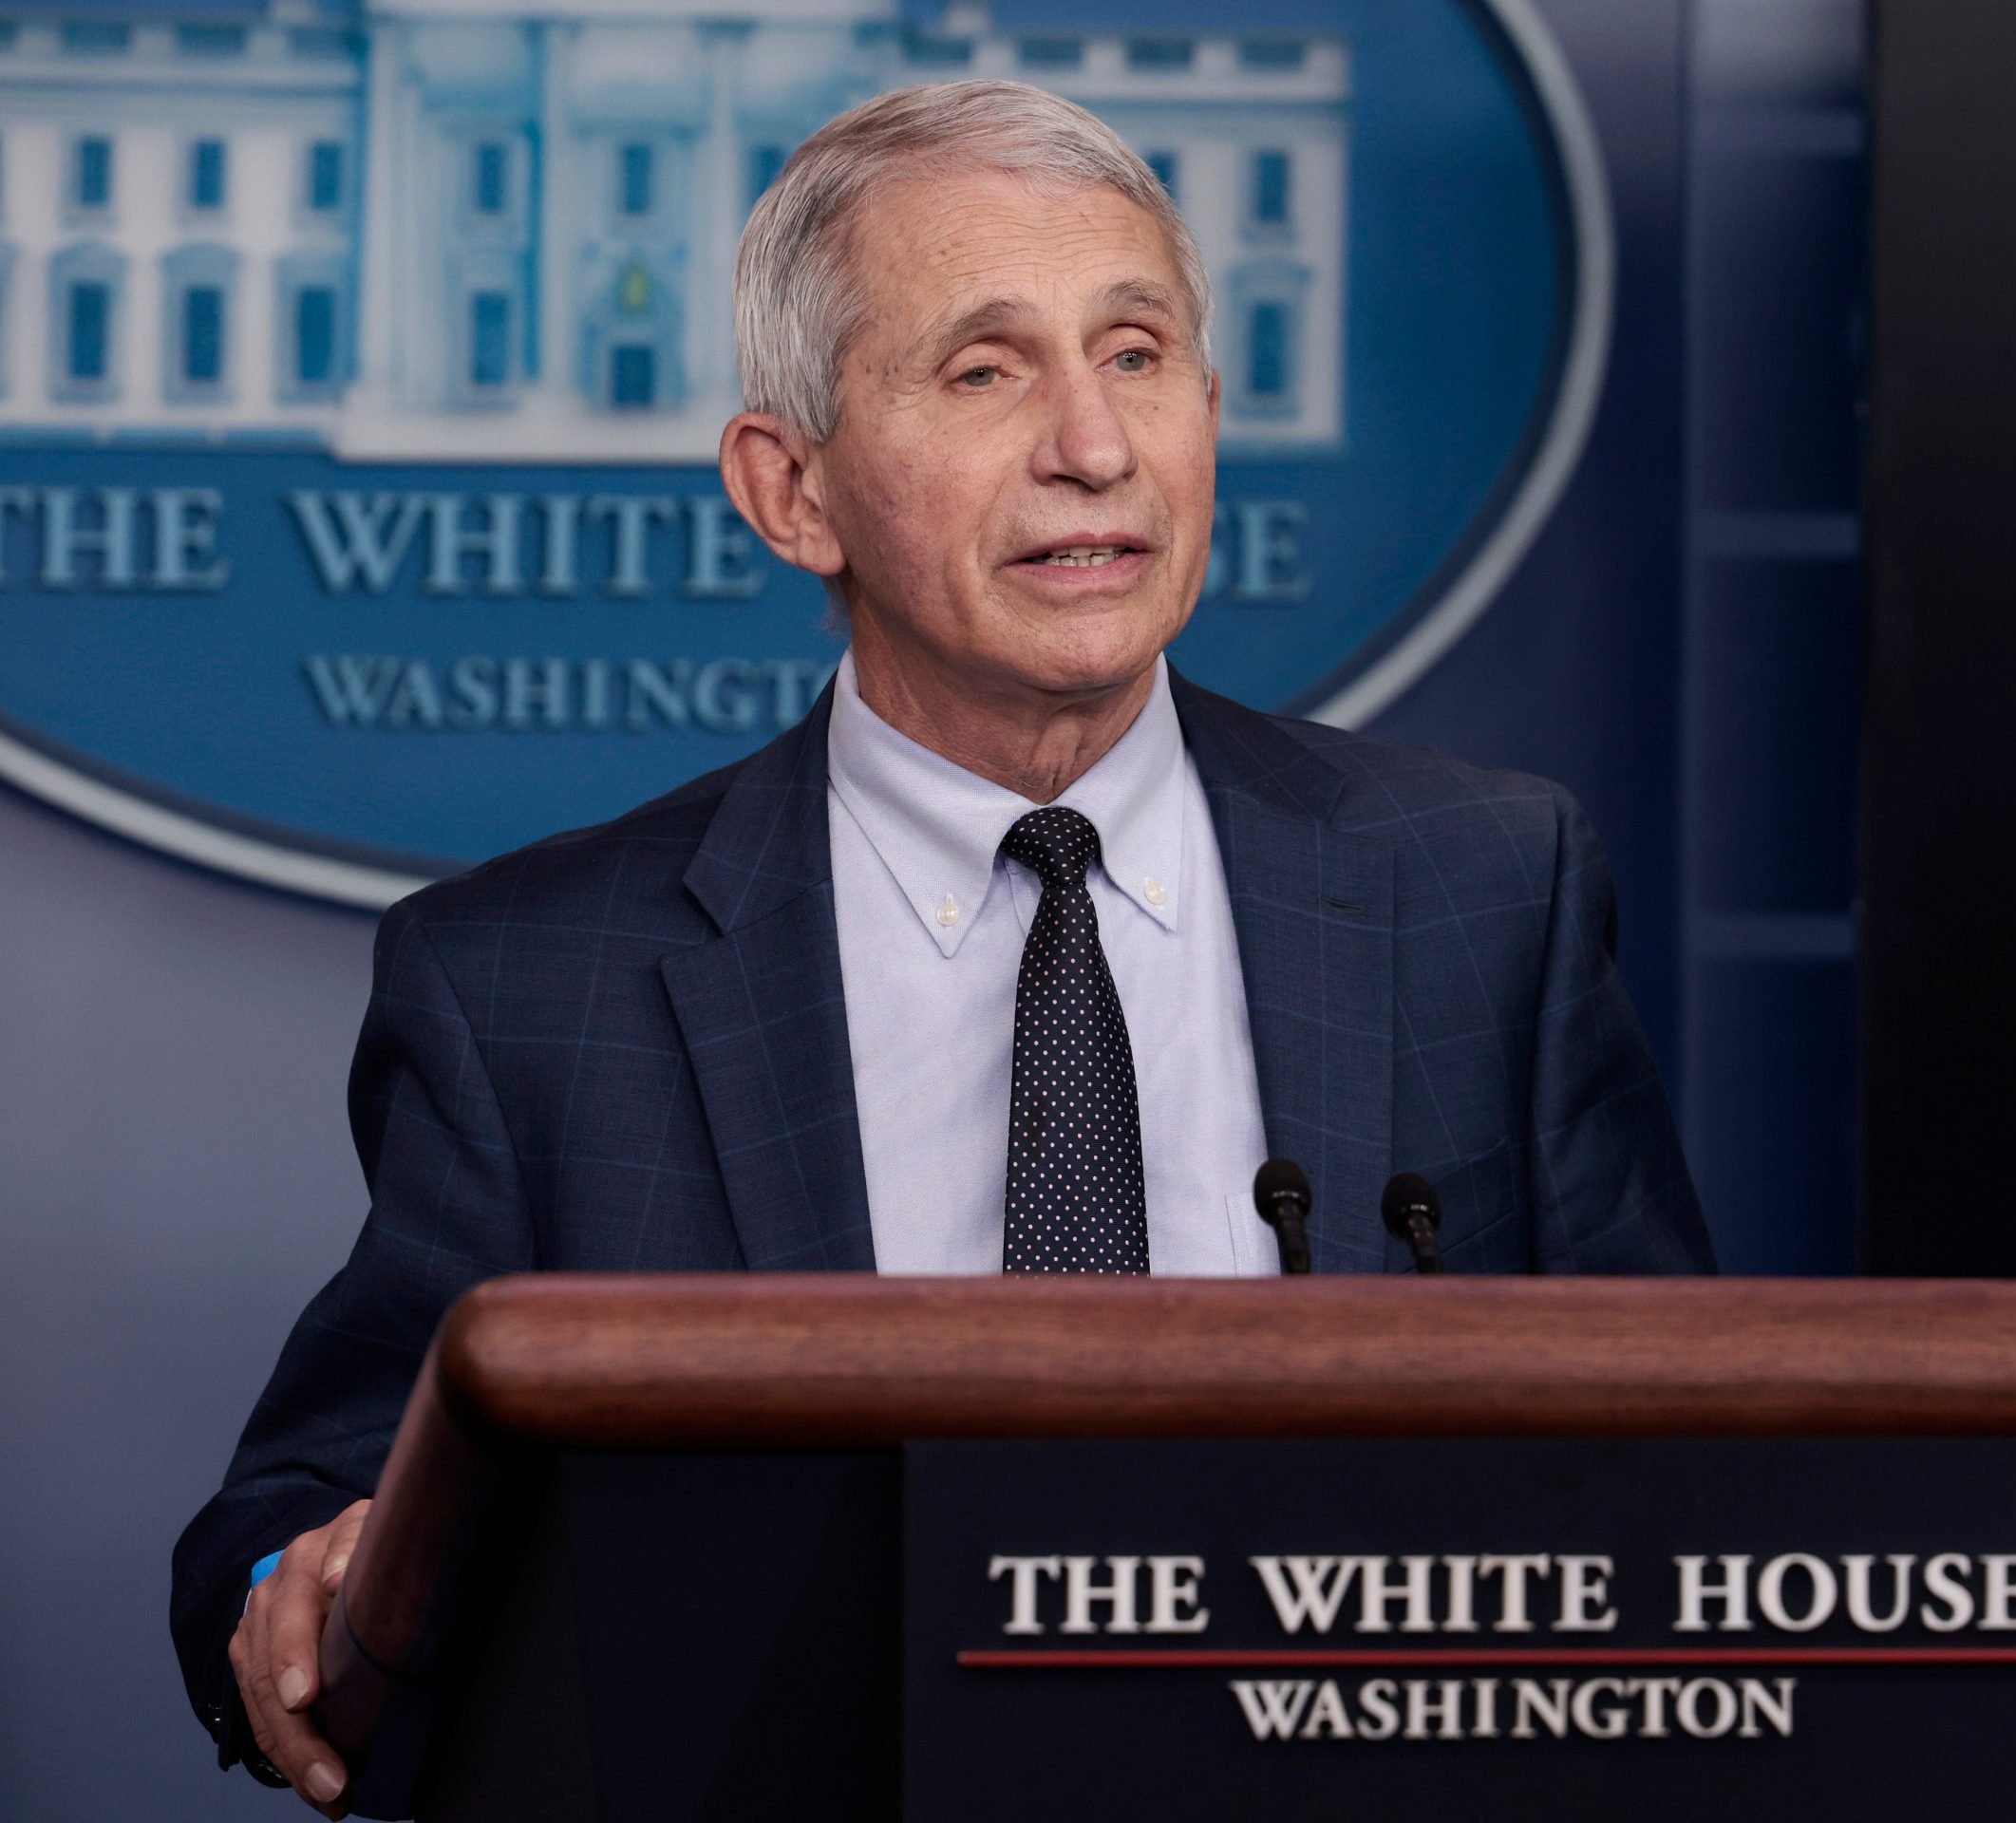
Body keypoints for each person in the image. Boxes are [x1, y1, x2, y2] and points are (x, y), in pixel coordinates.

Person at [172, 80, 1711, 1809]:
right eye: (987, 373)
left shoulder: (1487, 888)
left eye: (1136, 356)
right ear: (793, 490)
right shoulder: (529, 982)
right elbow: (305, 1506)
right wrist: (282, 1589)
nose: (1094, 444)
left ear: (1209, 410)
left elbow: (1687, 1464)